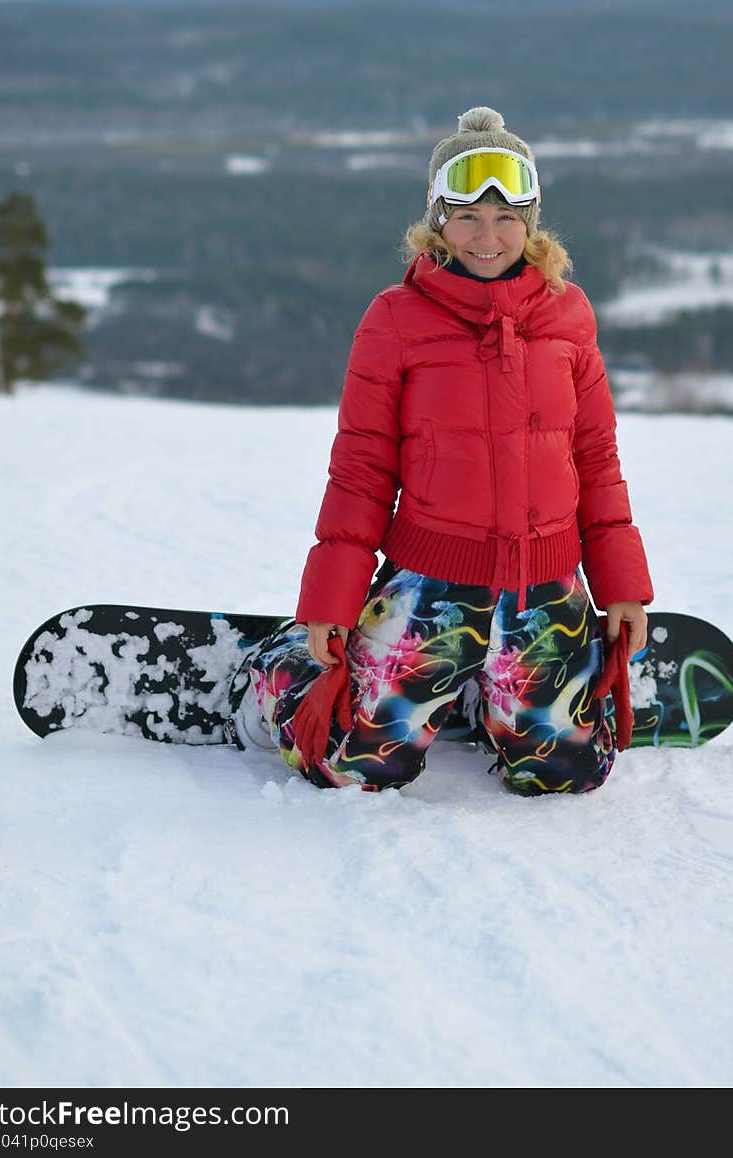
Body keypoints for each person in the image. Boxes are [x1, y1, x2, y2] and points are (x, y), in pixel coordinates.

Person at [241, 107, 653, 795]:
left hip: (543, 587)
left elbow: (596, 456)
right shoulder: (395, 319)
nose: (487, 237)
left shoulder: (568, 314)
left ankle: (493, 692)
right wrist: (331, 602)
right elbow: (362, 467)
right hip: (433, 584)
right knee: (351, 768)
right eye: (466, 217)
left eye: (506, 218)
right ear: (437, 222)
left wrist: (621, 587)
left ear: (531, 223)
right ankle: (278, 667)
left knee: (563, 775)